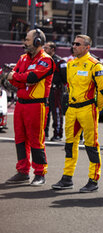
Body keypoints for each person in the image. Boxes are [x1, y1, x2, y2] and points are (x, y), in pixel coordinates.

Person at [51, 35, 103, 192]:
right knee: (70, 144)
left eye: (77, 44)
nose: (73, 46)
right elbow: (69, 86)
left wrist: (98, 108)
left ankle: (93, 180)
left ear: (87, 47)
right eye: (73, 43)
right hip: (72, 110)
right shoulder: (71, 64)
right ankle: (67, 178)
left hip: (88, 110)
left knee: (91, 145)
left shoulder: (95, 65)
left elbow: (102, 91)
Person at [5, 29, 54, 186]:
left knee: (36, 139)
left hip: (36, 105)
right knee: (19, 138)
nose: (24, 42)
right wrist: (21, 79)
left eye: (27, 39)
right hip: (21, 104)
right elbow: (15, 81)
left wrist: (17, 77)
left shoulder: (46, 60)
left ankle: (40, 173)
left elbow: (32, 77)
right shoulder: (22, 58)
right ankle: (23, 171)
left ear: (38, 41)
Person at [43, 41, 67, 141]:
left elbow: (65, 78)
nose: (44, 50)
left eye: (47, 48)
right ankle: (45, 133)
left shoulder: (60, 62)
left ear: (53, 50)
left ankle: (58, 134)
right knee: (44, 113)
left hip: (56, 90)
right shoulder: (43, 60)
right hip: (45, 90)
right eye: (44, 48)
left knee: (56, 112)